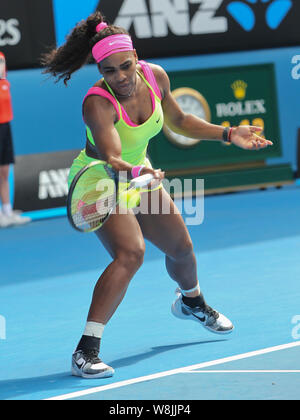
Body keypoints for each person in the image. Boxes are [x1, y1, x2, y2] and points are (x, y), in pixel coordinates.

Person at [42, 11, 273, 379]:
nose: (119, 77)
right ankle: (85, 351)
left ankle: (191, 302)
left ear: (136, 58)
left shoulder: (155, 76)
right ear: (99, 71)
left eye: (125, 66)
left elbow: (179, 121)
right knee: (131, 253)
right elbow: (112, 154)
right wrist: (136, 171)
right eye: (108, 70)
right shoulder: (96, 103)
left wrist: (229, 134)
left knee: (181, 248)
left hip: (139, 174)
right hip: (100, 179)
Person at [0, 52, 31, 228]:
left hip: (5, 127)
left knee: (4, 172)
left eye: (2, 63)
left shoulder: (5, 81)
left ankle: (7, 211)